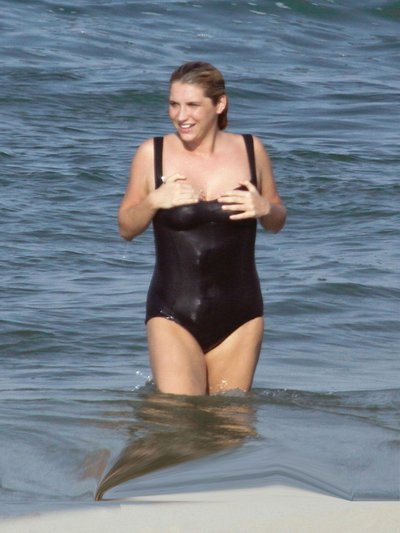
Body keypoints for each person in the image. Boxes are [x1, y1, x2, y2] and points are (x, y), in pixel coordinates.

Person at [118, 61, 286, 396]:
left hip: (241, 315)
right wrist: (153, 202)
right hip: (172, 312)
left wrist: (265, 209)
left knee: (230, 420)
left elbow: (276, 220)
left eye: (192, 105)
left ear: (219, 104)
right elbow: (126, 227)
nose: (181, 116)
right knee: (179, 416)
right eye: (174, 104)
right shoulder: (152, 154)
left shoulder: (251, 150)